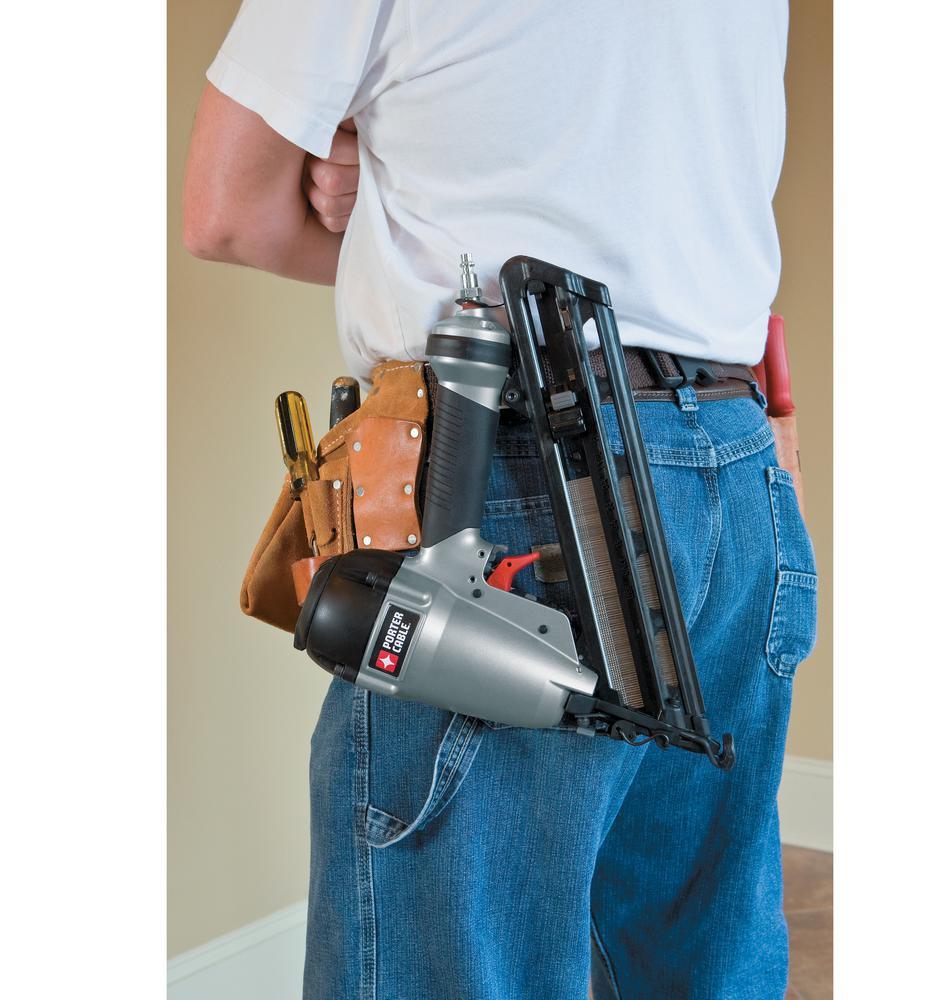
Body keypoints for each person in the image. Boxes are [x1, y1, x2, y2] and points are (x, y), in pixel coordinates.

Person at [183, 2, 817, 997]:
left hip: (519, 479)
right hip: (736, 474)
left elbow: (225, 212)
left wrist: (378, 212)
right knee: (701, 958)